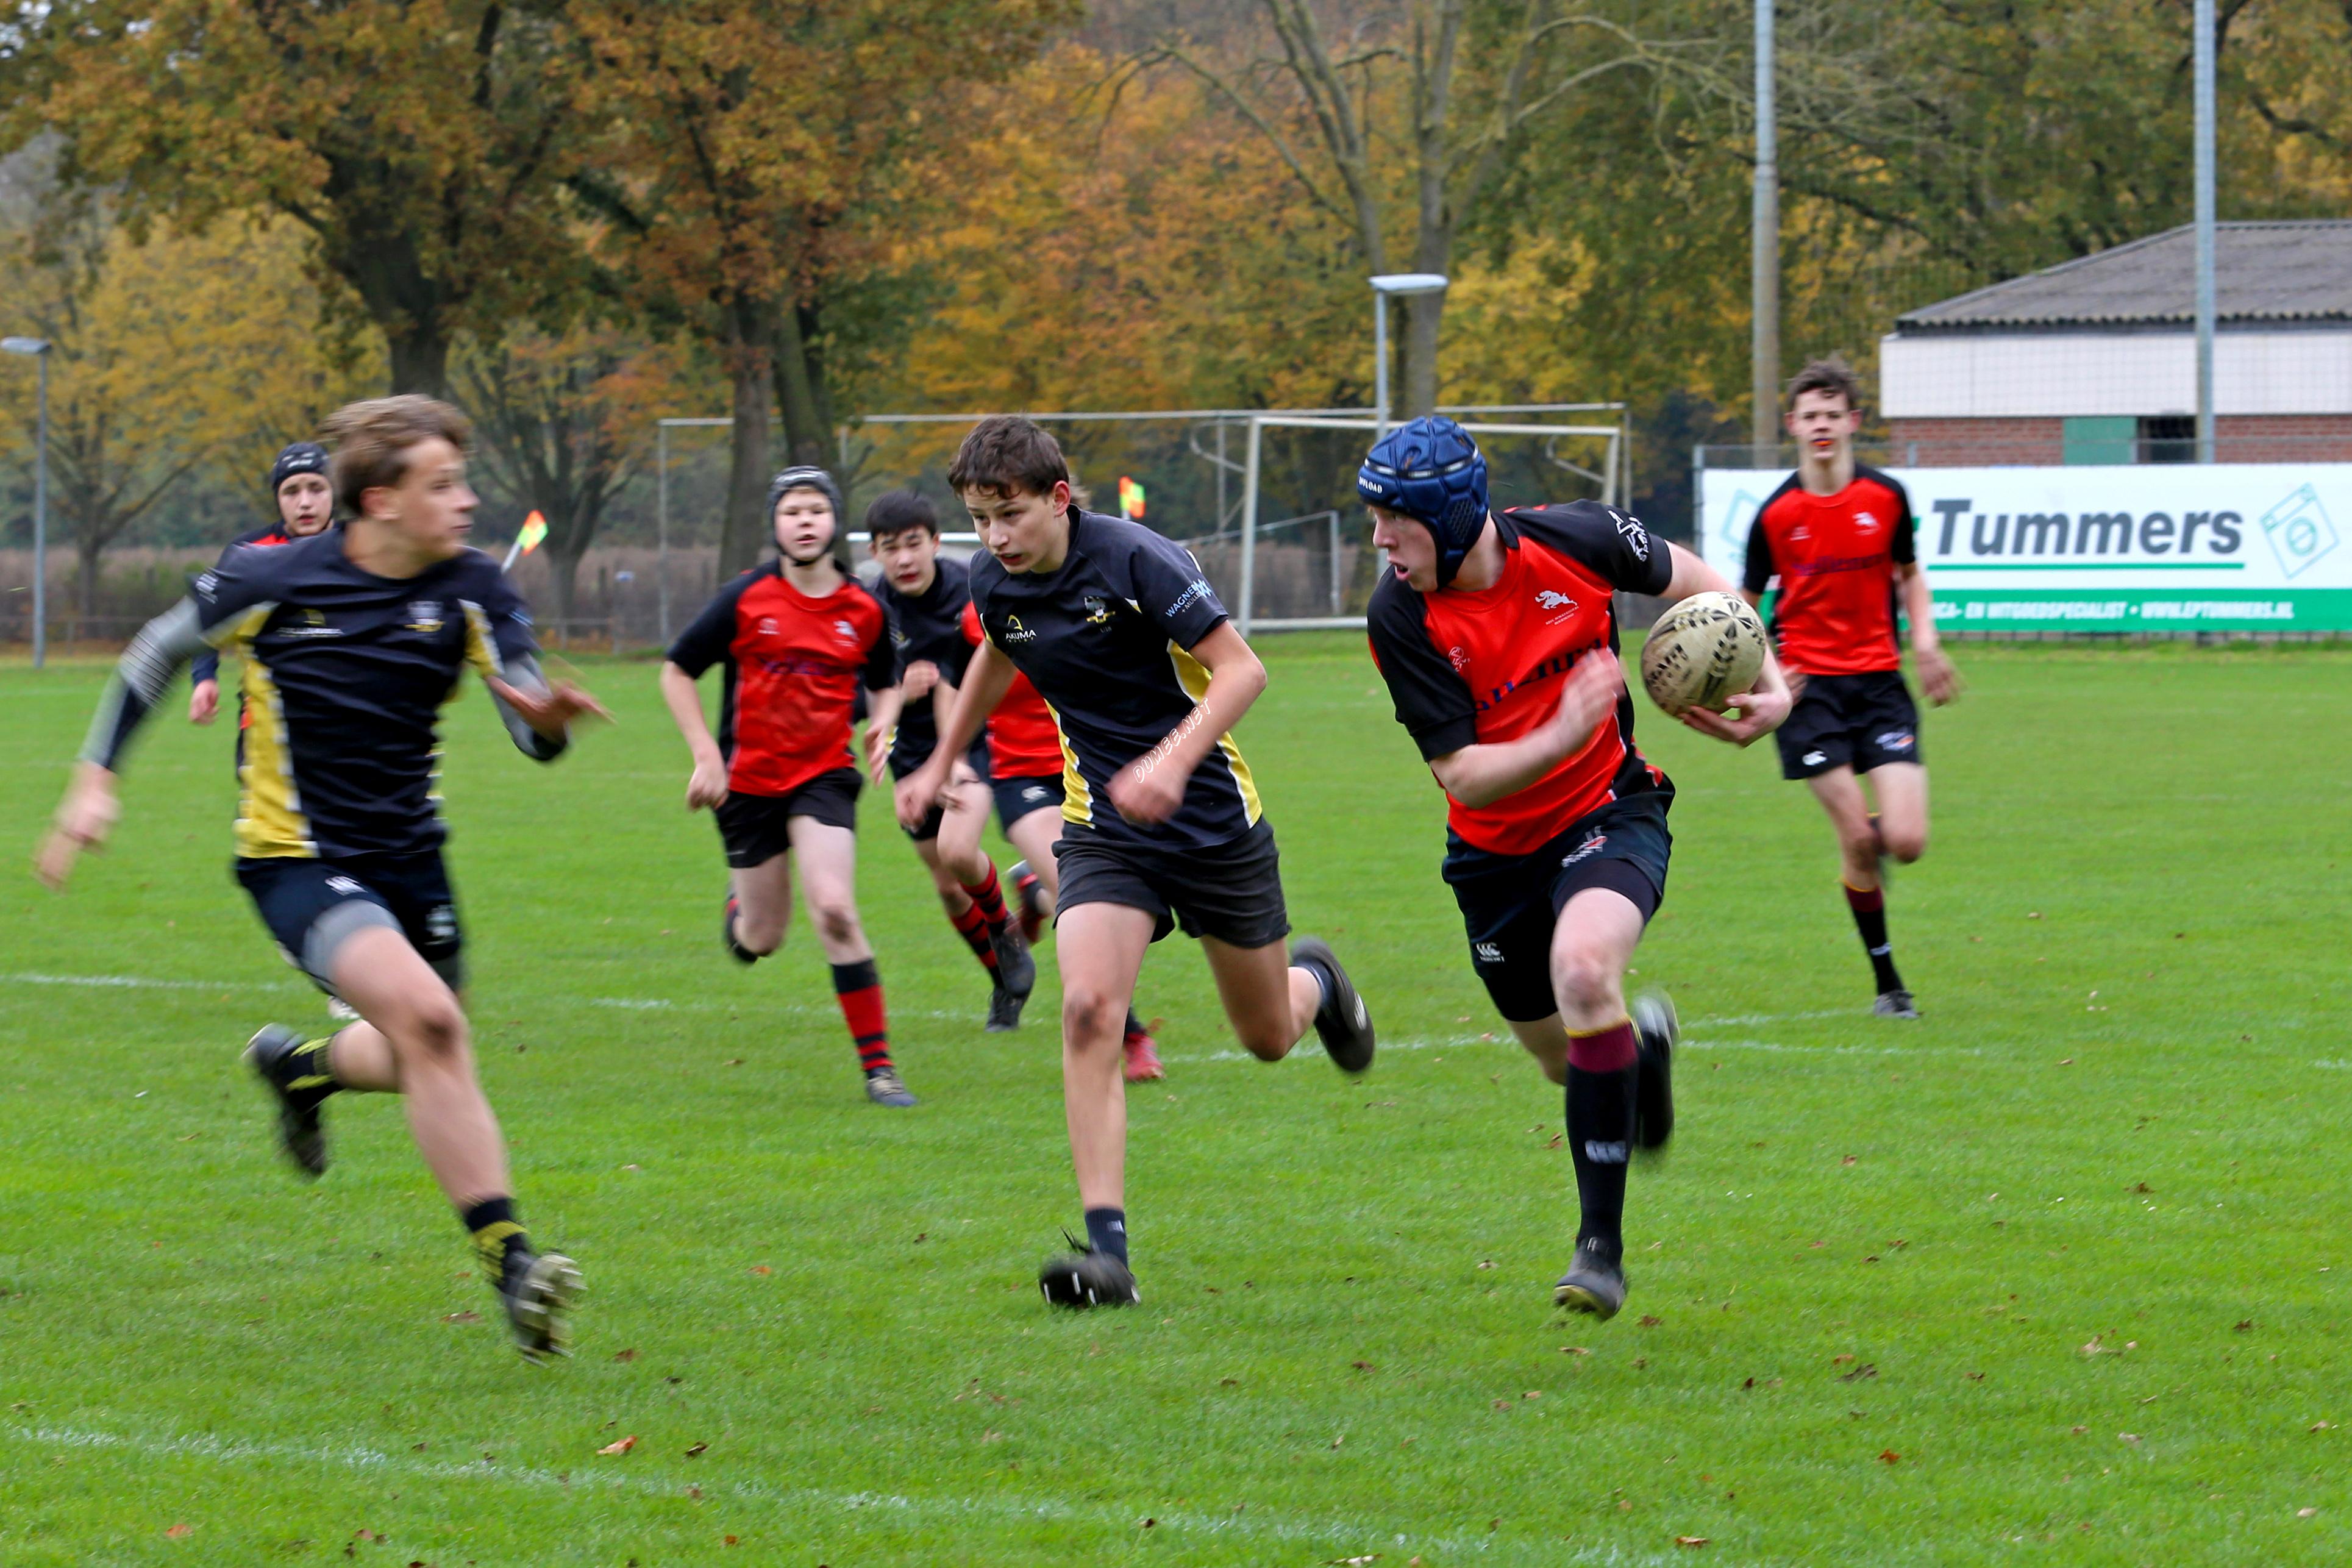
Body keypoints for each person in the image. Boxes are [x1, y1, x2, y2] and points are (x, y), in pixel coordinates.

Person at [37, 396, 607, 1362]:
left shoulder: (477, 589)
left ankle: (298, 1070)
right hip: (296, 859)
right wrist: (93, 784)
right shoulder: (269, 576)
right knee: (433, 1027)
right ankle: (513, 1265)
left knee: (425, 1048)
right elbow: (154, 655)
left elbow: (524, 718)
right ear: (380, 500)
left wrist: (544, 723)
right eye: (443, 485)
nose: (467, 503)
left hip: (410, 856)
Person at [897, 416, 1374, 1310]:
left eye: (1009, 514)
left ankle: (1319, 982)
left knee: (1268, 1037)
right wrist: (939, 759)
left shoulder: (1137, 561)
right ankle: (1107, 1254)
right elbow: (997, 655)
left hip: (1212, 827)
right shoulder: (992, 580)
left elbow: (1241, 672)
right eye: (977, 519)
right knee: (1086, 1011)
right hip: (1104, 829)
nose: (994, 538)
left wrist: (1171, 761)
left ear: (1059, 499)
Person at [1361, 416, 1792, 1322]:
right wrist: (1560, 725)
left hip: (1610, 811)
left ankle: (1599, 1250)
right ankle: (1640, 1064)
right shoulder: (1399, 616)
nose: (1378, 540)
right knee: (1569, 1063)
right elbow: (1461, 774)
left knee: (1584, 970)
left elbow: (1700, 582)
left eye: (1392, 521)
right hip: (1490, 858)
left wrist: (1773, 681)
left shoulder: (1575, 538)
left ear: (1445, 515)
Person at [660, 466, 916, 1107]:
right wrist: (704, 758)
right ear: (775, 525)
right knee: (762, 938)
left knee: (834, 906)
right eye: (792, 511)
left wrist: (882, 723)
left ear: (834, 523)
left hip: (823, 777)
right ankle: (738, 914)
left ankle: (880, 1069)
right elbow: (677, 671)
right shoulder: (745, 598)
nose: (805, 521)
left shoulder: (863, 607)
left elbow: (888, 679)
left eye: (816, 510)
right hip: (746, 784)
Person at [1741, 358, 1959, 1020]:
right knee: (1860, 843)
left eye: (1834, 414)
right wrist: (1769, 674)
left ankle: (1877, 837)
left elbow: (1910, 576)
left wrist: (1924, 641)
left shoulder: (1887, 497)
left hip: (1880, 687)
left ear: (1854, 422)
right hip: (1810, 696)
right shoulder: (1776, 514)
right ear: (1794, 427)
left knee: (1908, 842)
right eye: (1811, 416)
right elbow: (1743, 607)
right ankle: (1890, 986)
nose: (1822, 426)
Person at [865, 490, 1036, 1032]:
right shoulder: (873, 610)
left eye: (914, 544)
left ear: (936, 543)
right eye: (890, 549)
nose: (905, 559)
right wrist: (898, 692)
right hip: (912, 757)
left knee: (958, 850)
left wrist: (953, 751)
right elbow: (857, 691)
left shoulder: (973, 588)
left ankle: (1011, 931)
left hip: (979, 742)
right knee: (945, 883)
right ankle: (1004, 982)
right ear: (876, 553)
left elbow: (996, 666)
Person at [188, 442, 338, 724]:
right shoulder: (248, 553)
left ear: (334, 493)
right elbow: (207, 618)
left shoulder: (360, 548)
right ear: (278, 499)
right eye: (291, 491)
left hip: (346, 723)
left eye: (316, 489)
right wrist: (204, 678)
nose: (305, 502)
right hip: (264, 724)